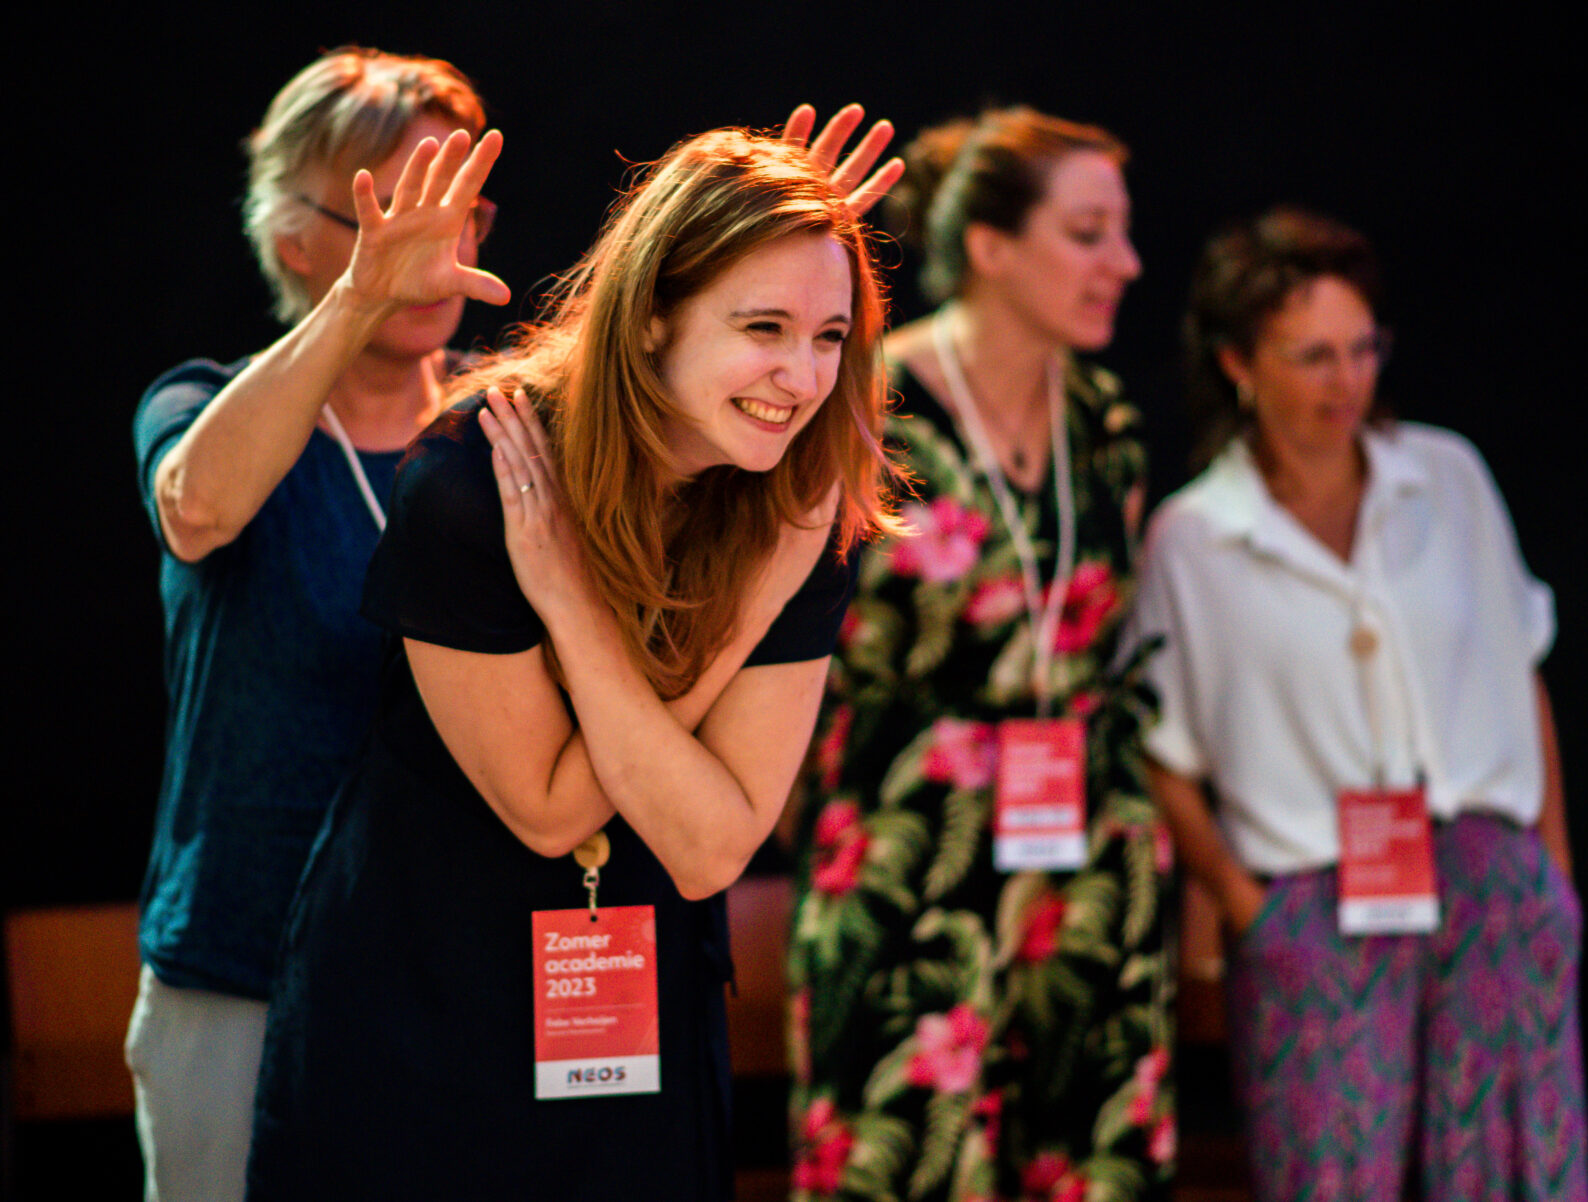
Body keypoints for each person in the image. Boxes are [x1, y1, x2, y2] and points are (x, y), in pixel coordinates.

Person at [242, 114, 903, 1201]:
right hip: (426, 1004)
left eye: (830, 336)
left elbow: (705, 846)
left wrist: (645, 611)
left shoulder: (791, 514)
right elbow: (551, 807)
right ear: (650, 320)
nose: (800, 375)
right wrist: (698, 621)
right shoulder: (473, 479)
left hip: (631, 1014)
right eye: (763, 326)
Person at [1128, 207, 1588, 1201]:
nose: (1347, 379)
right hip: (1315, 893)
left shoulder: (1447, 475)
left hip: (1487, 875)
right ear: (1239, 364)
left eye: (1362, 347)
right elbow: (1157, 743)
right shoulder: (1197, 535)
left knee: (1518, 1175)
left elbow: (1524, 666)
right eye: (1312, 355)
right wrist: (1248, 905)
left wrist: (1551, 869)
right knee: (1329, 1177)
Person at [127, 48, 504, 1202]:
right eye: (398, 210)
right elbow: (199, 507)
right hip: (244, 971)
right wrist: (361, 301)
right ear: (299, 239)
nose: (438, 245)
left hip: (452, 973)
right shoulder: (197, 397)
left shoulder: (510, 424)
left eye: (461, 207)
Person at [786, 108, 1175, 1202]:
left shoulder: (1106, 422)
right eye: (1090, 233)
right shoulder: (863, 406)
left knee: (1092, 1164)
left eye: (1123, 233)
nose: (1126, 263)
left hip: (1090, 855)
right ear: (993, 247)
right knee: (900, 1161)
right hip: (912, 850)